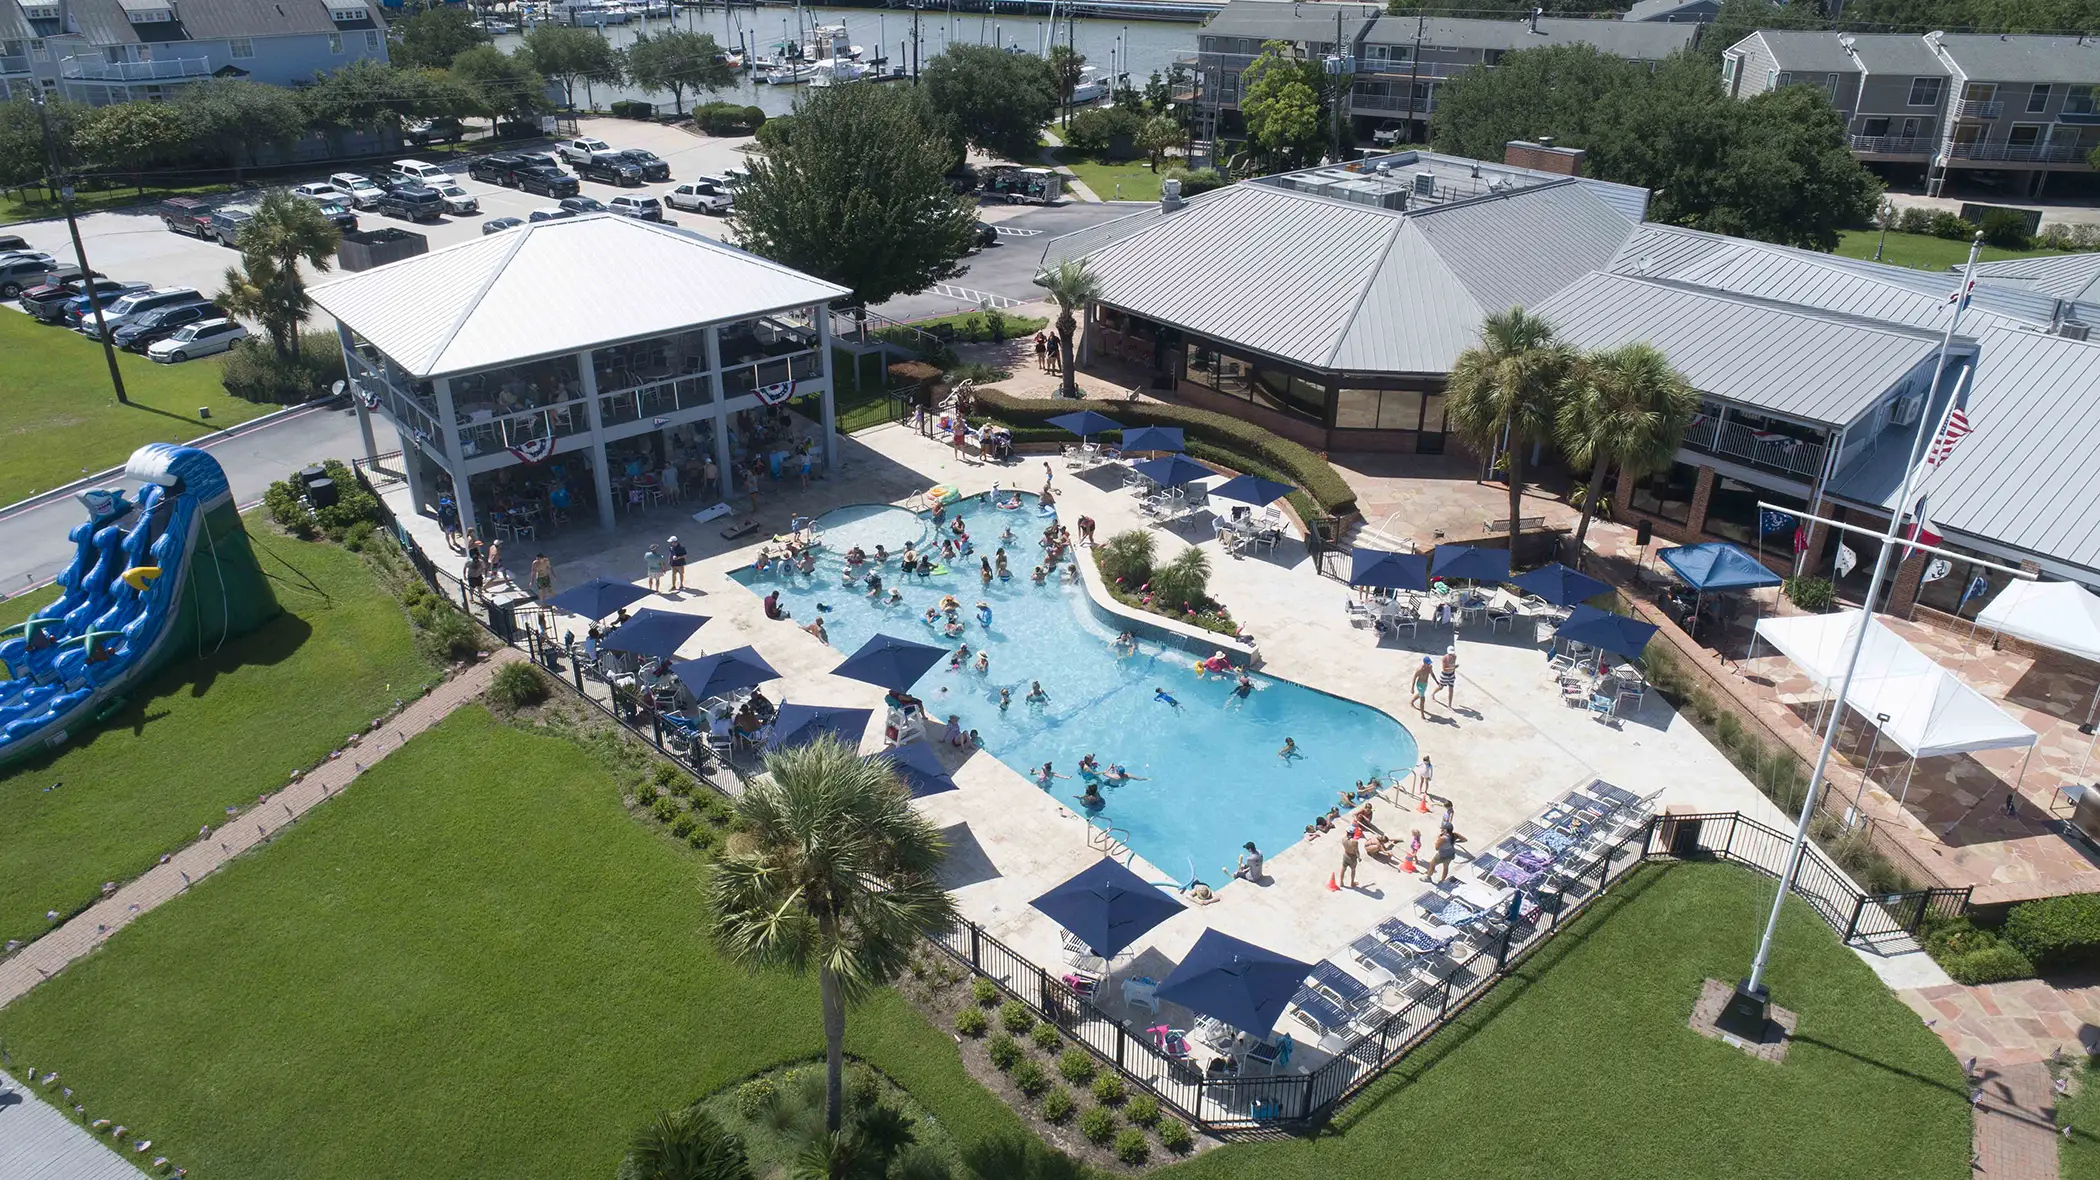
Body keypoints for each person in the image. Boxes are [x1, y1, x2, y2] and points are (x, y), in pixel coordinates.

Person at [1436, 645, 1459, 709]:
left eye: (1452, 654)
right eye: (1450, 654)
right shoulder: (1444, 658)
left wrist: (1453, 671)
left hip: (1451, 674)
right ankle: (1433, 694)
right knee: (1440, 687)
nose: (1451, 655)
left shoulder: (1455, 657)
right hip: (1445, 675)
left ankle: (1449, 705)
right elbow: (1444, 669)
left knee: (1451, 690)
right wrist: (1453, 667)